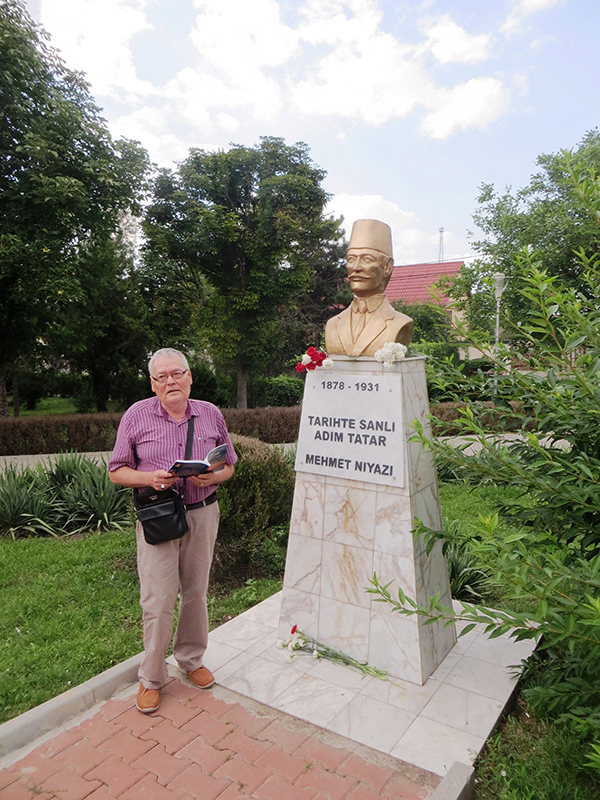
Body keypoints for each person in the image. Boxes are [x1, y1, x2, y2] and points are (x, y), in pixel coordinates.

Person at [108, 348, 237, 713]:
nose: (170, 381)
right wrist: (150, 478)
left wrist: (213, 475)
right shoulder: (137, 415)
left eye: (176, 373)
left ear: (190, 376)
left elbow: (229, 465)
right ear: (152, 384)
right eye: (161, 376)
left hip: (202, 513)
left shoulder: (210, 413)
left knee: (196, 592)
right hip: (159, 517)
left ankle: (191, 660)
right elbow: (116, 470)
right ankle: (151, 677)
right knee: (159, 600)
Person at [325, 219, 413, 357]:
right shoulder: (333, 325)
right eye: (351, 259)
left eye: (366, 259)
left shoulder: (400, 323)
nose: (356, 268)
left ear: (387, 267)